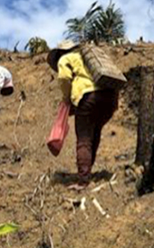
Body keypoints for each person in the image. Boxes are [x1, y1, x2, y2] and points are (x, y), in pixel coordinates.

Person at [49, 40, 119, 190]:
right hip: (110, 98)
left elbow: (64, 78)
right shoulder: (87, 58)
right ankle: (87, 172)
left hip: (88, 97)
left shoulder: (65, 58)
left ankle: (83, 180)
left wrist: (67, 98)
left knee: (84, 138)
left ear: (60, 53)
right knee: (95, 133)